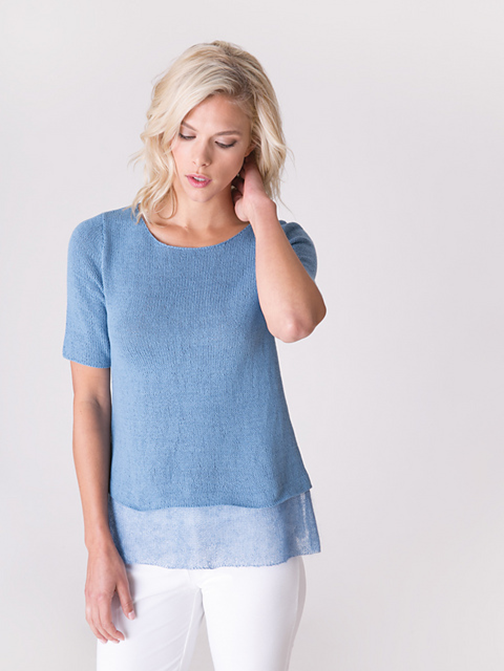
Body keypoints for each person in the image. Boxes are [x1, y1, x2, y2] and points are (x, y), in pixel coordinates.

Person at [63, 40, 327, 671]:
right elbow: (90, 402)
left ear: (253, 149)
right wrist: (98, 544)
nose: (201, 158)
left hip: (255, 535)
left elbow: (293, 322)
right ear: (164, 132)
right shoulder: (100, 244)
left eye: (225, 141)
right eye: (187, 134)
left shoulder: (280, 244)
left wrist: (260, 213)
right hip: (139, 542)